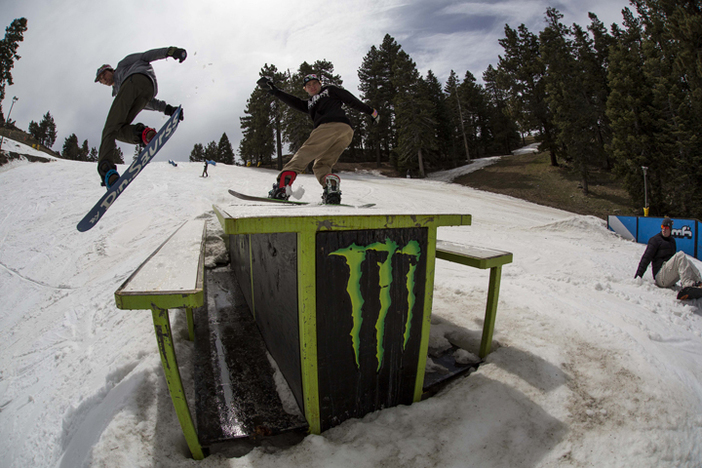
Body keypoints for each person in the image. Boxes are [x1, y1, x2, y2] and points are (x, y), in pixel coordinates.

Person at [257, 73, 379, 204]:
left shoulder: (330, 90)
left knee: (305, 152)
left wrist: (370, 110)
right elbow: (293, 101)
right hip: (346, 132)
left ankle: (282, 187)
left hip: (329, 126)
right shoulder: (309, 103)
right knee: (322, 164)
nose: (312, 87)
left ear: (320, 84)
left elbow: (349, 99)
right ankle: (331, 190)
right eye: (308, 85)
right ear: (305, 89)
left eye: (315, 83)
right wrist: (274, 91)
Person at [94, 46, 187, 189]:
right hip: (148, 90)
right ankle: (144, 135)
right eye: (100, 80)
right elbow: (149, 103)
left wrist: (169, 52)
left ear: (110, 70)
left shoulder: (123, 66)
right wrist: (168, 109)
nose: (103, 79)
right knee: (117, 130)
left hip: (135, 77)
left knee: (110, 128)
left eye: (103, 75)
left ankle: (106, 170)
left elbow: (146, 56)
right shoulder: (121, 90)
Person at [635, 217, 702, 299]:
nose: (664, 230)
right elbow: (646, 258)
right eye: (662, 227)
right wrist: (638, 276)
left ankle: (699, 282)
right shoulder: (655, 240)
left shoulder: (672, 241)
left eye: (666, 228)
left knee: (687, 261)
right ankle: (687, 284)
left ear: (670, 229)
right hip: (660, 276)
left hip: (669, 275)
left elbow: (676, 264)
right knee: (680, 255)